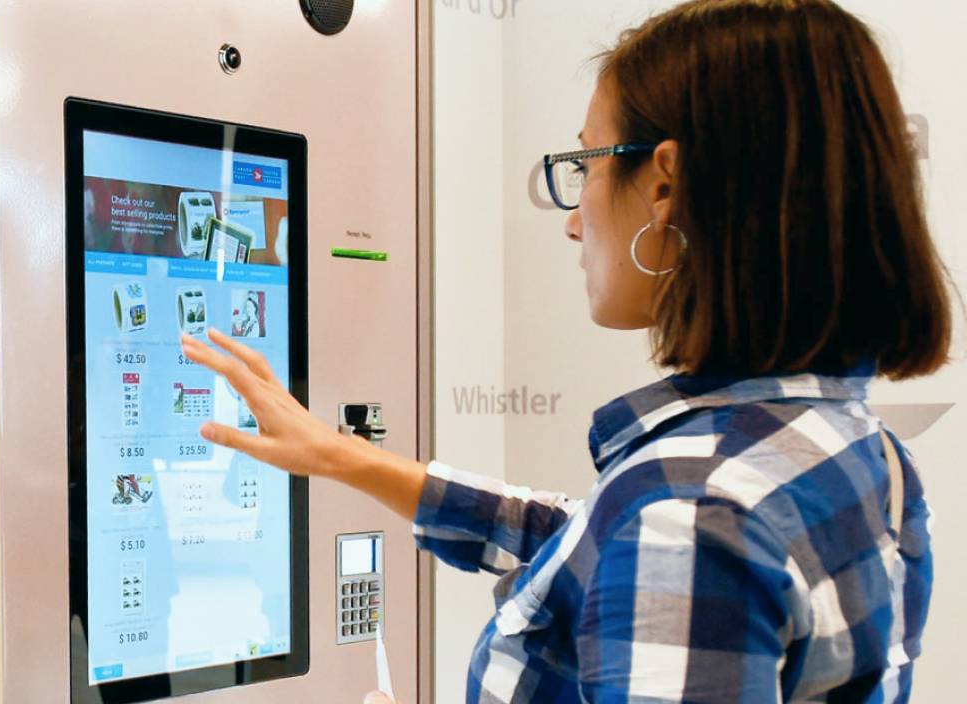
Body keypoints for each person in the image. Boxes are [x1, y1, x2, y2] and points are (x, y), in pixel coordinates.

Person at [183, 1, 950, 701]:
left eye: (583, 165)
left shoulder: (688, 512)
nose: (573, 221)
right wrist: (343, 457)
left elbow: (661, 539)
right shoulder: (849, 450)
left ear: (663, 185)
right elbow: (591, 537)